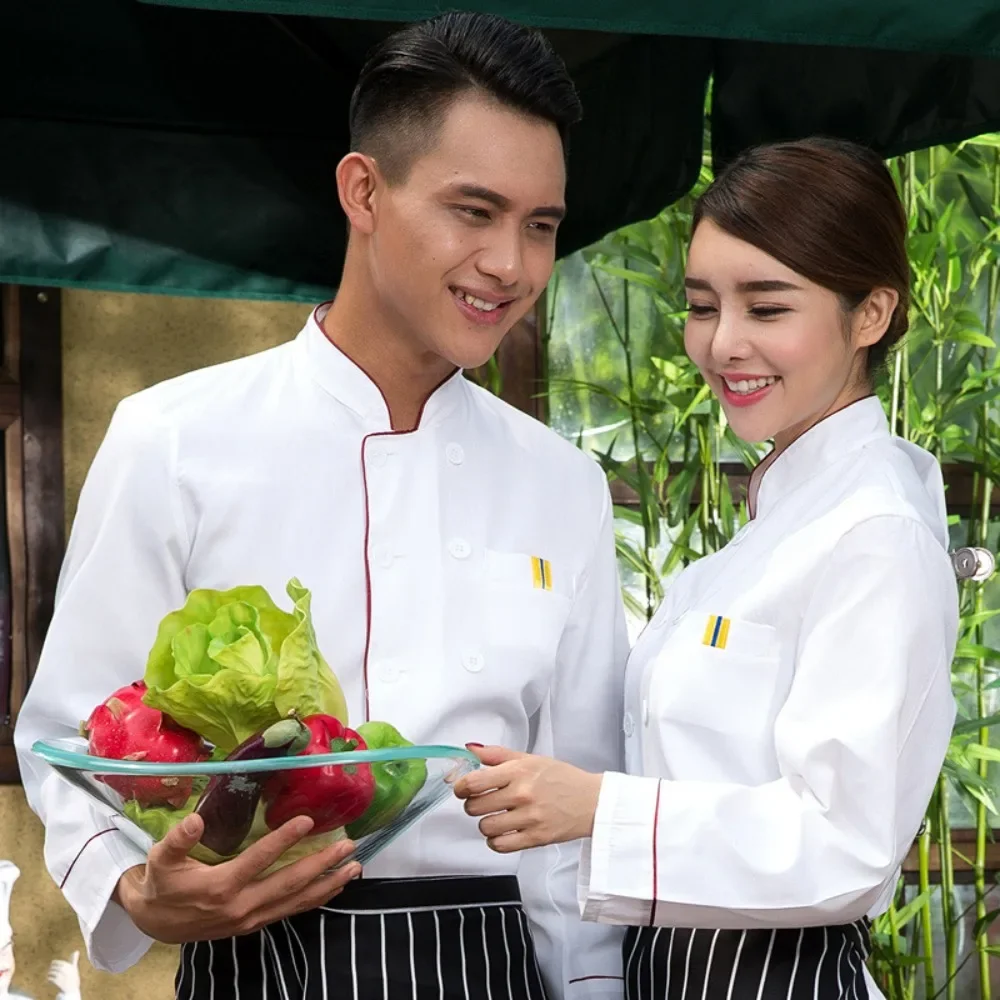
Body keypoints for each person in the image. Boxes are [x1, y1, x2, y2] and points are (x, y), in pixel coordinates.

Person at [14, 11, 629, 1000]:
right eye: (473, 210)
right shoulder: (172, 438)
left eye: (540, 225)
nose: (511, 265)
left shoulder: (563, 482)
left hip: (488, 962)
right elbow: (72, 732)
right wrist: (135, 890)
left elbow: (576, 800)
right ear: (363, 192)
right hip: (261, 955)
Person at [455, 137, 960, 1000]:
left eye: (767, 310)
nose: (722, 345)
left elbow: (850, 842)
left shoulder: (875, 533)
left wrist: (598, 808)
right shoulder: (771, 530)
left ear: (870, 314)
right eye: (700, 306)